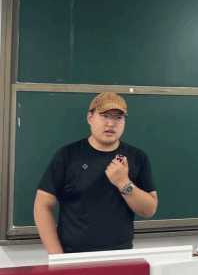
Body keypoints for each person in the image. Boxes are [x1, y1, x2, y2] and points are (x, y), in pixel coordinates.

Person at [33, 92, 158, 254]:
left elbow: (149, 210)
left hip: (121, 256)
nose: (111, 123)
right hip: (73, 257)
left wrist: (124, 183)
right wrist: (57, 257)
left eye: (118, 117)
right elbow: (42, 205)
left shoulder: (137, 157)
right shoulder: (67, 156)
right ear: (90, 118)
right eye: (105, 116)